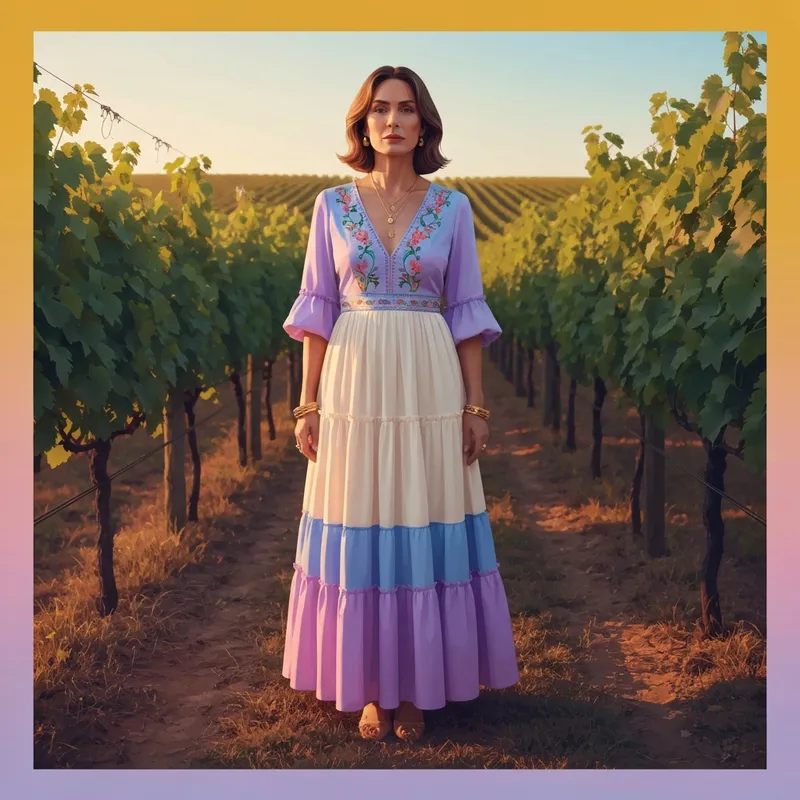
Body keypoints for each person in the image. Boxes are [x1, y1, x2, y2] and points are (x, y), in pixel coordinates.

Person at [281, 65, 519, 743]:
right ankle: (370, 689)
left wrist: (475, 408)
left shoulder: (453, 209)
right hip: (354, 380)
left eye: (406, 109)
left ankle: (417, 687)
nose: (393, 121)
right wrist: (307, 403)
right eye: (380, 109)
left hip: (427, 378)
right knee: (362, 515)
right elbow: (318, 310)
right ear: (362, 124)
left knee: (423, 511)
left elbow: (467, 313)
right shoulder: (330, 205)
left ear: (424, 124)